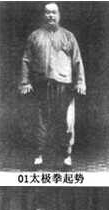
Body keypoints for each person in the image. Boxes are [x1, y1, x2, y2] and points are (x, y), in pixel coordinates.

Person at [19, 2, 86, 168]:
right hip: (41, 84)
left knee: (67, 121)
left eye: (54, 12)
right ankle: (38, 154)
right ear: (43, 15)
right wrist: (25, 81)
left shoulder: (68, 36)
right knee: (39, 120)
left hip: (65, 86)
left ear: (59, 15)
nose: (50, 16)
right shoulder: (35, 36)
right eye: (47, 13)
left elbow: (77, 60)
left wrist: (80, 82)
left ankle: (67, 155)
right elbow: (26, 60)